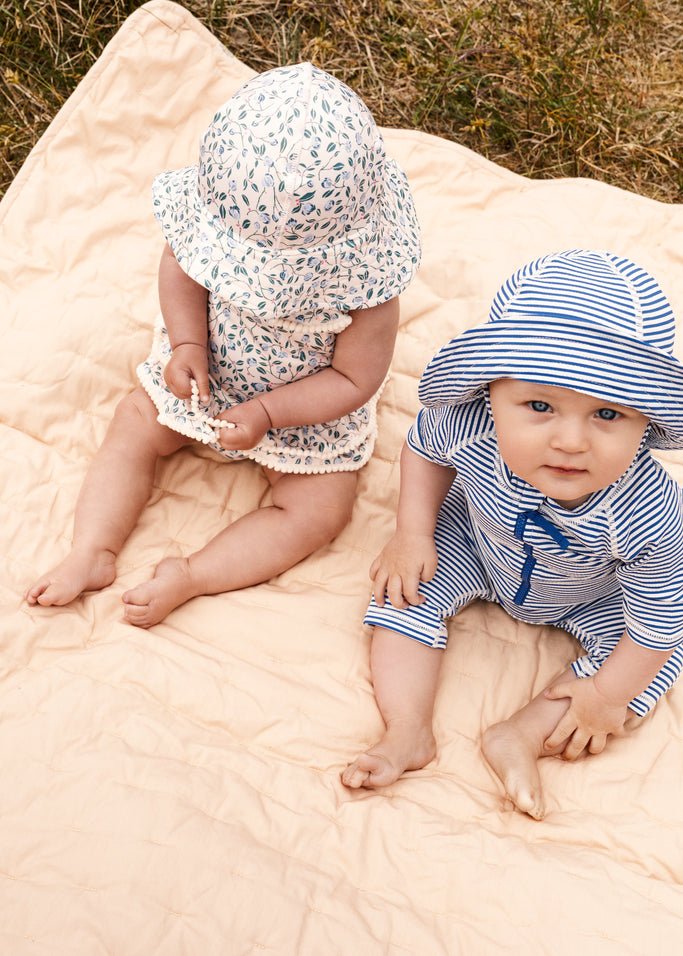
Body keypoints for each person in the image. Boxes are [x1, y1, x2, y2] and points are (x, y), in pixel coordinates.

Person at [24, 62, 421, 627]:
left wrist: (268, 411)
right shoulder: (209, 224)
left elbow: (355, 380)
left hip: (303, 412)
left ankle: (193, 575)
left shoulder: (368, 286)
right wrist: (187, 343)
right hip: (206, 368)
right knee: (135, 423)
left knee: (321, 512)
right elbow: (180, 270)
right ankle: (92, 550)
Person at [342, 249, 683, 820]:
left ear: (645, 419)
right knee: (401, 590)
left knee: (654, 660)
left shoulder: (646, 508)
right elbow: (424, 450)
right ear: (491, 394)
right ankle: (407, 730)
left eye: (608, 415)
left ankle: (519, 735)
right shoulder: (465, 423)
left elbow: (654, 624)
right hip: (478, 542)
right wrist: (413, 533)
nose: (572, 440)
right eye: (541, 405)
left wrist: (605, 696)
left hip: (593, 590)